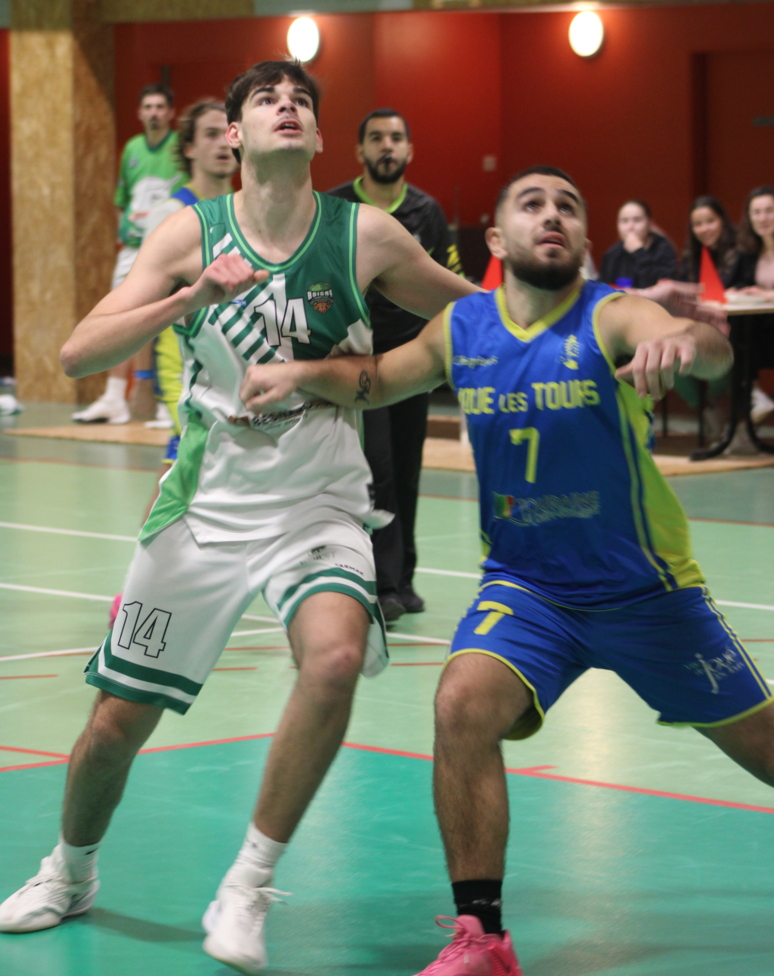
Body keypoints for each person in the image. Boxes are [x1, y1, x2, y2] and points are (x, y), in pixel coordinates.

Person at [240, 166, 774, 976]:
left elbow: (708, 349)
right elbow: (378, 378)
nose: (553, 215)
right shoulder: (463, 326)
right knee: (461, 703)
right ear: (498, 238)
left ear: (584, 237)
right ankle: (483, 939)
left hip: (646, 592)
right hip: (529, 589)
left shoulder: (610, 314)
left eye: (568, 206)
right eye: (532, 204)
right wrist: (298, 375)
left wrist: (684, 342)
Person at [0, 61, 475, 975]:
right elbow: (76, 353)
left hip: (319, 504)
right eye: (266, 100)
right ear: (232, 134)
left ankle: (248, 883)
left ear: (320, 137)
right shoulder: (190, 233)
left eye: (301, 101)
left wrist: (602, 323)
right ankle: (70, 870)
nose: (286, 107)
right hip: (205, 511)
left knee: (333, 659)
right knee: (113, 728)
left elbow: (483, 323)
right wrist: (189, 300)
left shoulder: (366, 234)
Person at [107, 98, 239, 626]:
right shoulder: (173, 214)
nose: (222, 143)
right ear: (188, 148)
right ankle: (135, 592)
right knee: (181, 475)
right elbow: (143, 304)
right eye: (209, 134)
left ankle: (179, 584)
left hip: (236, 362)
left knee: (197, 475)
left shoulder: (247, 209)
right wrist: (142, 375)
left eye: (227, 133)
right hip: (182, 358)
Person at [329, 108, 464, 621]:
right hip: (359, 364)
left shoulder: (427, 212)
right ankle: (380, 583)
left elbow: (449, 283)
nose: (387, 146)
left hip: (415, 362)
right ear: (360, 150)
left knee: (406, 470)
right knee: (376, 469)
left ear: (409, 150)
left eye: (396, 138)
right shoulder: (336, 207)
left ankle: (403, 579)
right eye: (376, 138)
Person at [72, 84, 184, 425]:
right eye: (148, 107)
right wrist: (124, 228)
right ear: (139, 112)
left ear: (171, 112)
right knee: (119, 314)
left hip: (169, 248)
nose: (154, 113)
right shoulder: (132, 148)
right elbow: (121, 199)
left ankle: (167, 399)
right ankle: (113, 396)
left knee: (166, 317)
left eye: (160, 107)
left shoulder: (181, 147)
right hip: (132, 248)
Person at [727, 185, 774, 426]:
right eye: (756, 212)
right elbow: (735, 282)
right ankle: (752, 400)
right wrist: (737, 291)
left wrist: (773, 294)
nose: (763, 218)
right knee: (731, 339)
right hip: (759, 334)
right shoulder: (749, 250)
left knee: (737, 342)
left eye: (769, 211)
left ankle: (750, 407)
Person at [673, 196, 737, 434]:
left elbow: (736, 286)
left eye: (710, 221)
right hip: (697, 324)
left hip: (734, 325)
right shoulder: (691, 254)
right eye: (698, 224)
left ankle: (716, 404)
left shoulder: (740, 250)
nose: (704, 229)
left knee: (718, 351)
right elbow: (684, 287)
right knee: (674, 354)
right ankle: (706, 409)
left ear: (722, 221)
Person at [599, 198, 676, 289]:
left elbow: (662, 286)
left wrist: (639, 252)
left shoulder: (664, 249)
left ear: (650, 223)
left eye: (637, 220)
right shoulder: (612, 254)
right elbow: (604, 287)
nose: (630, 227)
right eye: (624, 221)